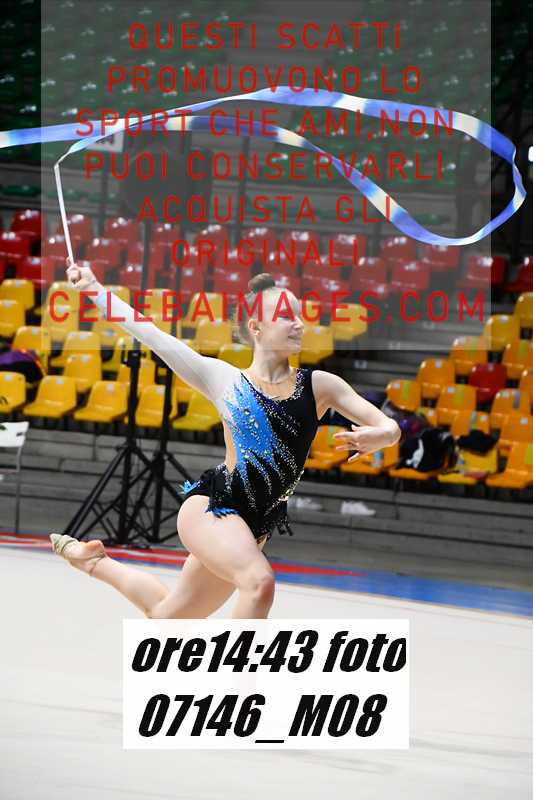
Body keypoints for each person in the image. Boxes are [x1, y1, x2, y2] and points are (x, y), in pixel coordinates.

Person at [50, 258, 400, 619]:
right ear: (256, 326)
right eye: (286, 315)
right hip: (214, 509)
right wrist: (93, 288)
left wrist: (385, 434)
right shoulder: (225, 380)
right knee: (259, 583)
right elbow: (151, 333)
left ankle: (92, 561)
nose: (299, 323)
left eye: (300, 315)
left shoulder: (319, 385)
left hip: (256, 524)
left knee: (166, 616)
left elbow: (388, 426)